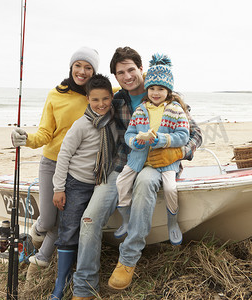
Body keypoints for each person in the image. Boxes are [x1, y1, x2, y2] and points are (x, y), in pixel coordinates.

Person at [71, 47, 202, 300]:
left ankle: (128, 259)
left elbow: (195, 134)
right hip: (123, 165)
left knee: (144, 181)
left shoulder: (169, 97)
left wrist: (178, 153)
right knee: (89, 219)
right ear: (116, 77)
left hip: (157, 167)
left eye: (131, 69)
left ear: (141, 69)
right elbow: (92, 112)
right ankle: (83, 287)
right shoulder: (116, 100)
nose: (127, 76)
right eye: (120, 73)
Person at [10, 47, 100, 278]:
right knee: (49, 219)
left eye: (88, 67)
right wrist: (26, 139)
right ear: (71, 67)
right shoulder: (55, 95)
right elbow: (45, 134)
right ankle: (35, 234)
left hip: (79, 170)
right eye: (78, 65)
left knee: (62, 221)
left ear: (94, 71)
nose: (82, 71)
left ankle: (39, 263)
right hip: (52, 163)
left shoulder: (98, 95)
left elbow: (134, 86)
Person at [49, 74, 117, 299]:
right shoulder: (82, 124)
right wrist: (59, 188)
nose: (101, 104)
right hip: (76, 183)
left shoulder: (113, 121)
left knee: (88, 225)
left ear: (112, 97)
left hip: (100, 183)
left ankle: (82, 269)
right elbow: (64, 154)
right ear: (88, 99)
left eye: (105, 99)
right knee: (69, 230)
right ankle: (62, 281)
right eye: (95, 100)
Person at [114, 53, 189, 246]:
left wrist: (163, 140)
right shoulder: (141, 109)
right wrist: (135, 142)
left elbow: (184, 136)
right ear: (147, 89)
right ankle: (126, 220)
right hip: (139, 158)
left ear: (168, 91)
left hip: (166, 161)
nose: (156, 93)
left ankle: (172, 223)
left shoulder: (175, 110)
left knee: (171, 188)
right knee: (121, 182)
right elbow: (129, 133)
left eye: (161, 89)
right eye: (152, 88)